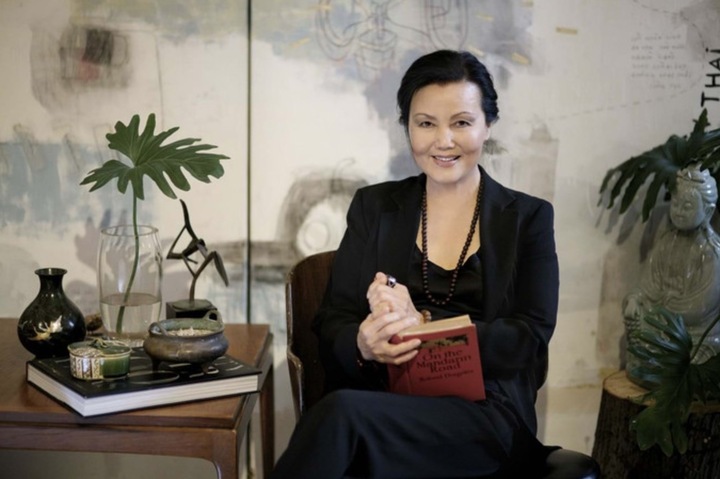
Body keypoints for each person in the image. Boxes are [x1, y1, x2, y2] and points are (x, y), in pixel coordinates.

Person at [271, 50, 559, 478]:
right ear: (407, 127)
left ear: (488, 125)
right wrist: (363, 344)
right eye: (426, 123)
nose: (443, 141)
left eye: (461, 122)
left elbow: (529, 338)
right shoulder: (374, 207)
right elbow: (333, 321)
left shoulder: (527, 218)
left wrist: (422, 325)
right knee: (346, 420)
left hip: (485, 413)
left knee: (342, 417)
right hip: (386, 401)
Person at [623, 164, 720, 380]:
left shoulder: (711, 252)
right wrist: (636, 299)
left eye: (687, 206)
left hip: (695, 330)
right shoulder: (667, 242)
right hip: (663, 316)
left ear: (708, 211)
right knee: (636, 314)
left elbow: (701, 307)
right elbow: (648, 285)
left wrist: (663, 309)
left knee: (693, 351)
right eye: (675, 203)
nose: (678, 211)